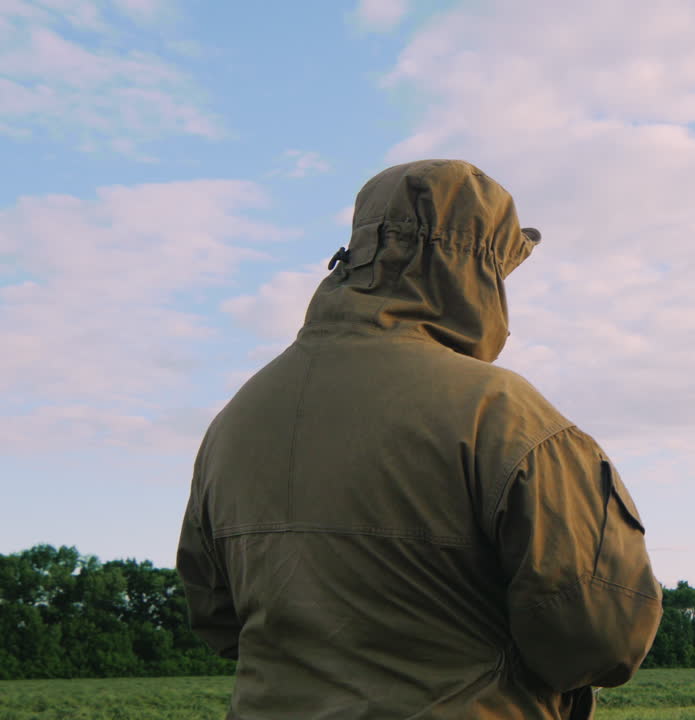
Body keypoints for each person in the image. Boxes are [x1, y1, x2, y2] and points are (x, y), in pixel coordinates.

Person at [177, 159, 663, 719]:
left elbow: (215, 615)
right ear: (475, 274)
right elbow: (600, 638)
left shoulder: (237, 418)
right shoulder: (506, 416)